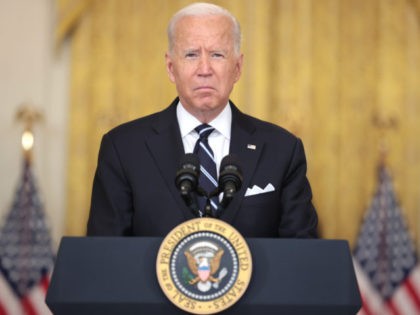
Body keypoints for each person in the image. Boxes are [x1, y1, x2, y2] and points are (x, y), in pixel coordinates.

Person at [87, 2, 318, 238]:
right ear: (170, 68)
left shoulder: (282, 149)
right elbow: (106, 256)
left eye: (217, 54)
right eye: (191, 54)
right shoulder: (123, 148)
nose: (204, 69)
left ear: (237, 68)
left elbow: (302, 255)